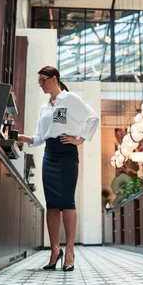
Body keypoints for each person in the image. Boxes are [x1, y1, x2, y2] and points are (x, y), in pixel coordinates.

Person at [18, 66, 99, 272]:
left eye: (43, 80)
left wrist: (80, 139)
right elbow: (40, 137)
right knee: (52, 204)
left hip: (67, 153)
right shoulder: (44, 107)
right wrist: (25, 138)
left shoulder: (70, 99)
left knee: (67, 202)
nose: (41, 85)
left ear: (54, 79)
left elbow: (93, 117)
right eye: (39, 82)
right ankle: (55, 251)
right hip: (50, 154)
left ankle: (69, 252)